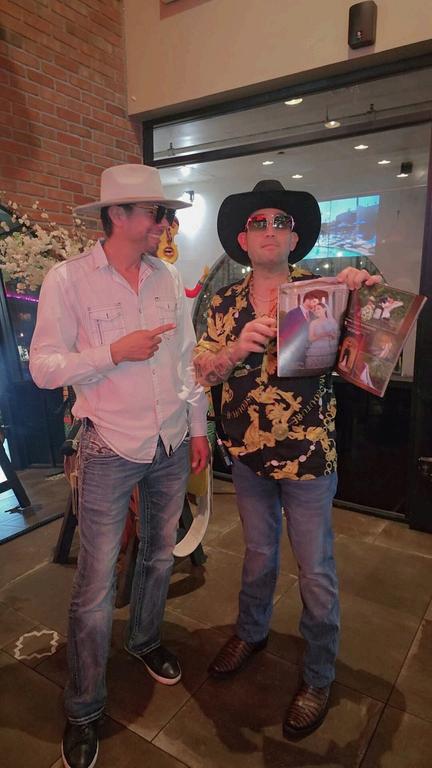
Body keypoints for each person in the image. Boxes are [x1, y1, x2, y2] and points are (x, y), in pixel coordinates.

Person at [29, 164, 209, 768]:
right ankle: (83, 708)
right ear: (117, 216)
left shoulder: (167, 276)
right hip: (108, 443)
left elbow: (186, 358)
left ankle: (146, 638)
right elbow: (43, 367)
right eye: (156, 213)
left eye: (165, 213)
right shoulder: (68, 280)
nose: (165, 223)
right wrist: (113, 352)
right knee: (95, 581)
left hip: (170, 439)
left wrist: (198, 427)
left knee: (160, 553)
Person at [193, 179, 380, 740]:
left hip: (309, 456)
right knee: (257, 554)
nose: (270, 230)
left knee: (316, 568)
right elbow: (203, 372)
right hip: (247, 455)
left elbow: (372, 345)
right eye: (259, 223)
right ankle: (251, 633)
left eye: (280, 222)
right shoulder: (224, 305)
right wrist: (236, 347)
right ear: (243, 240)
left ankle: (319, 675)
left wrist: (363, 293)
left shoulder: (327, 293)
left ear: (295, 238)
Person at [279, 288, 325, 368]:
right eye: (314, 302)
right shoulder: (292, 313)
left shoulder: (312, 315)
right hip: (294, 353)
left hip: (308, 352)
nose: (315, 305)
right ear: (307, 300)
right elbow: (284, 333)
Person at [304, 301, 339, 370]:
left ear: (325, 309)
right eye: (315, 309)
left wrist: (332, 335)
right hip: (316, 348)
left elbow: (335, 337)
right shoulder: (313, 323)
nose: (316, 311)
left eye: (318, 308)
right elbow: (310, 339)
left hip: (328, 349)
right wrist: (322, 334)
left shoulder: (332, 322)